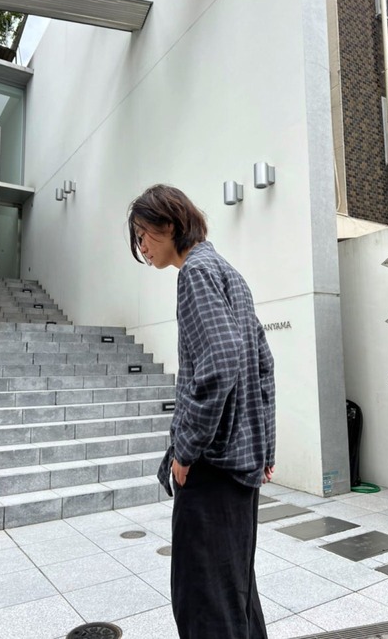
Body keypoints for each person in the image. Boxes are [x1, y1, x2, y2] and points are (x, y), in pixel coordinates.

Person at [127, 184, 276, 639]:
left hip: (212, 467)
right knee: (235, 595)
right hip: (240, 467)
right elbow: (263, 364)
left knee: (204, 602)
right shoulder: (229, 273)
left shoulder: (195, 273)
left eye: (143, 234)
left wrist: (185, 450)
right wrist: (266, 449)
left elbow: (221, 361)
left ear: (170, 224)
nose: (142, 246)